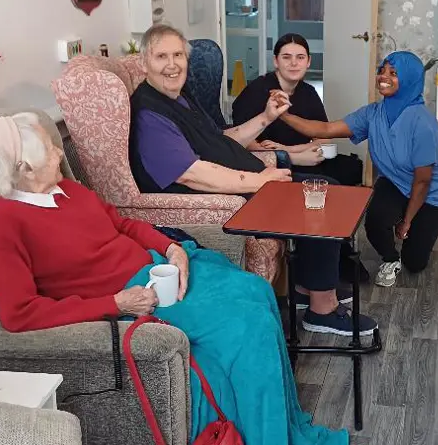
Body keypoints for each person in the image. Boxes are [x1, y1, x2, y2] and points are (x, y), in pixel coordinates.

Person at [0, 113, 349, 445]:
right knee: (247, 324)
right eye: (50, 149)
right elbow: (19, 313)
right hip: (137, 295)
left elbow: (122, 224)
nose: (59, 152)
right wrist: (116, 303)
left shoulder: (66, 188)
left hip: (157, 267)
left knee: (257, 290)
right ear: (25, 167)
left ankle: (283, 425)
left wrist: (171, 248)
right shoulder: (2, 221)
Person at [128, 23, 377, 336]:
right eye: (162, 56)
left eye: (178, 55)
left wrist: (266, 118)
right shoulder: (150, 112)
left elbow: (221, 141)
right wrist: (259, 181)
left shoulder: (179, 97)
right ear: (144, 63)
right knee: (320, 201)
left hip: (252, 181)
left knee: (328, 187)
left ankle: (308, 287)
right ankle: (322, 309)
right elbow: (192, 174)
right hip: (232, 196)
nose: (172, 64)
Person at [273, 51, 438, 288]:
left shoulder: (423, 124)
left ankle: (413, 225)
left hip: (431, 196)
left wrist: (407, 222)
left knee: (415, 263)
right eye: (382, 70)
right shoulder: (373, 114)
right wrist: (284, 115)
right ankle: (391, 258)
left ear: (410, 79)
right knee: (375, 221)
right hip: (395, 183)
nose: (383, 77)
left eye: (393, 73)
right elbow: (325, 129)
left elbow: (423, 181)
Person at [232, 33, 363, 187]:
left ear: (308, 61)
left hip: (302, 155)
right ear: (276, 61)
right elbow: (244, 143)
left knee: (352, 169)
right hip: (268, 164)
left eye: (300, 57)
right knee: (330, 184)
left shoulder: (308, 92)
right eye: (286, 57)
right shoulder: (257, 91)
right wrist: (288, 156)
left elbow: (324, 138)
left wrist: (288, 149)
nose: (294, 63)